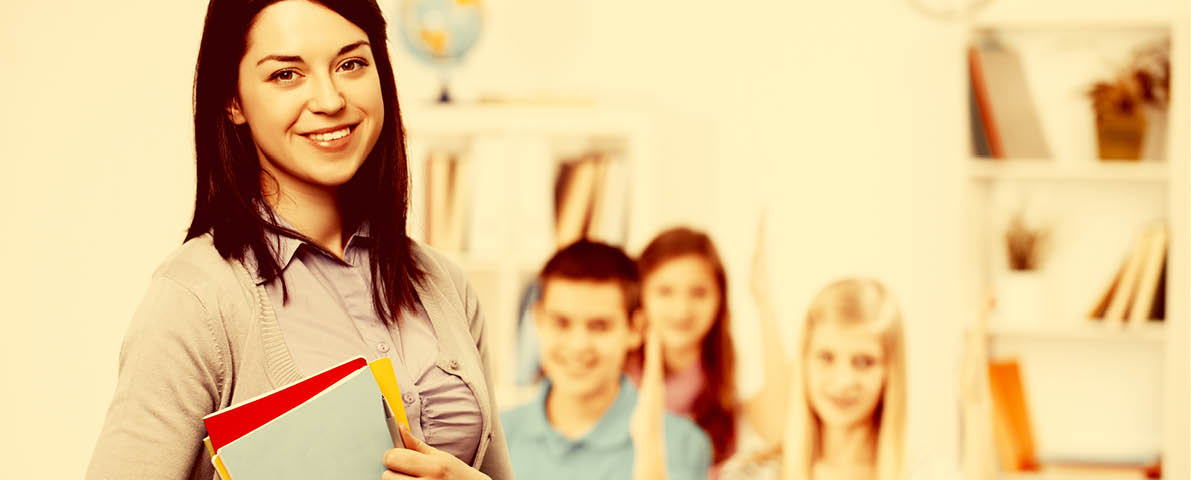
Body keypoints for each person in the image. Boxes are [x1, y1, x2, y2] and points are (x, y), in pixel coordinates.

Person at [84, 1, 511, 479]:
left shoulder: (443, 283)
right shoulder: (195, 299)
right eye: (286, 75)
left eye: (351, 64)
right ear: (233, 100)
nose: (329, 100)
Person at [501, 240, 712, 480]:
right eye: (561, 323)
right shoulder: (496, 437)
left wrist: (650, 451)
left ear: (635, 328)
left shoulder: (679, 444)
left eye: (599, 326)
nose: (578, 345)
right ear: (538, 319)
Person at [630, 225, 792, 474]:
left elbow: (779, 426)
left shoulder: (729, 369)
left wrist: (763, 301)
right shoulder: (619, 369)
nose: (682, 309)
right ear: (642, 295)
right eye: (665, 292)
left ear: (720, 298)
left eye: (699, 293)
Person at [720, 278, 907, 480]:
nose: (843, 381)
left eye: (864, 362)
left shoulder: (929, 474)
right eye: (826, 358)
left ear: (889, 370)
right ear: (804, 361)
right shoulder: (750, 475)